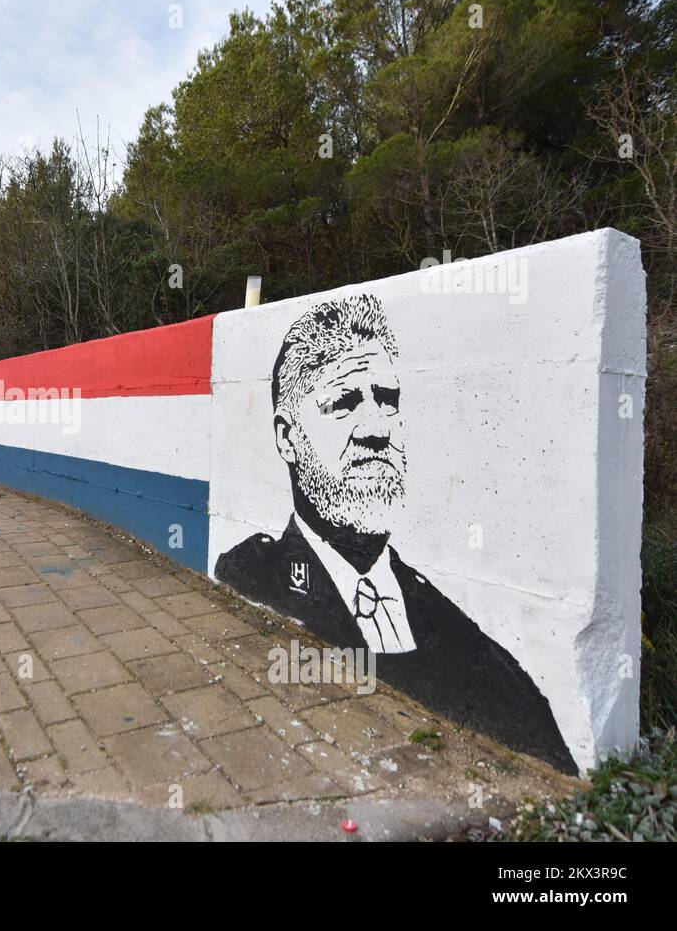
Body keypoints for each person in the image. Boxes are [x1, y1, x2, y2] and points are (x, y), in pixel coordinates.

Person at [214, 293, 575, 771]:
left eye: (388, 401)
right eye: (344, 404)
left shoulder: (483, 658)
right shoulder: (250, 575)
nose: (376, 428)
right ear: (288, 439)